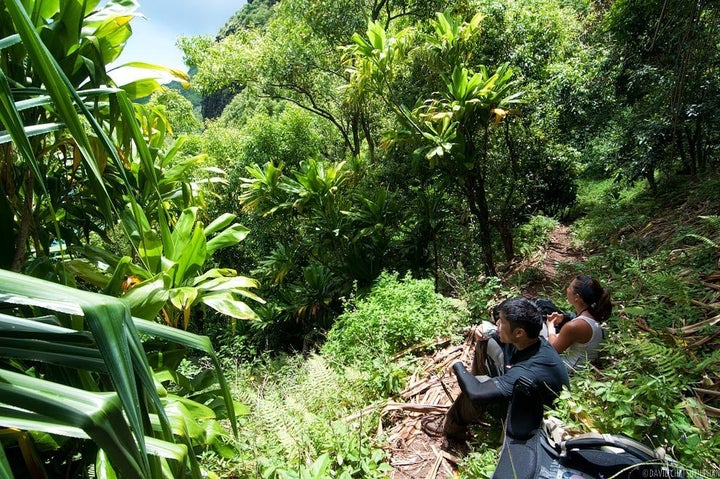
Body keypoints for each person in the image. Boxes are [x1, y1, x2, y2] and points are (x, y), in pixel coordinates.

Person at [423, 297, 570, 442]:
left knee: (477, 385)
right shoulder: (532, 341)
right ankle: (475, 406)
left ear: (519, 333)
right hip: (522, 393)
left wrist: (458, 365)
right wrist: (485, 333)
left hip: (529, 415)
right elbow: (495, 336)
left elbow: (476, 392)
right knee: (486, 342)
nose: (497, 325)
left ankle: (452, 427)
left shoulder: (527, 371)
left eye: (502, 324)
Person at [545, 274, 612, 372]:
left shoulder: (575, 326)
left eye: (569, 287)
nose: (567, 289)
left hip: (567, 370)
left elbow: (552, 350)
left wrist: (550, 325)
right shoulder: (595, 317)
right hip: (584, 367)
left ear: (577, 297)